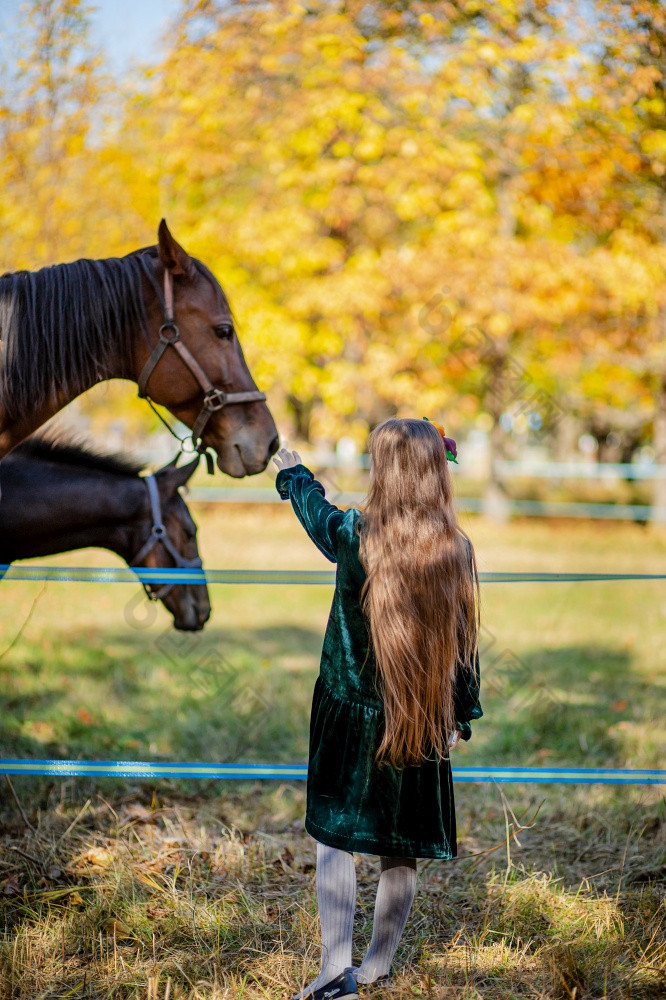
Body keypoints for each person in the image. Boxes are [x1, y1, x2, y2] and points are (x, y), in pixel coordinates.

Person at [273, 417, 483, 1000]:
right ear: (437, 474)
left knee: (335, 837)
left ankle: (333, 968)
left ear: (383, 473)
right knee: (401, 843)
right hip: (419, 715)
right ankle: (376, 965)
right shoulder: (456, 550)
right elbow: (463, 644)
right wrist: (459, 713)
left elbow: (316, 515)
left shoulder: (354, 534)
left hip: (351, 712)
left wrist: (293, 474)